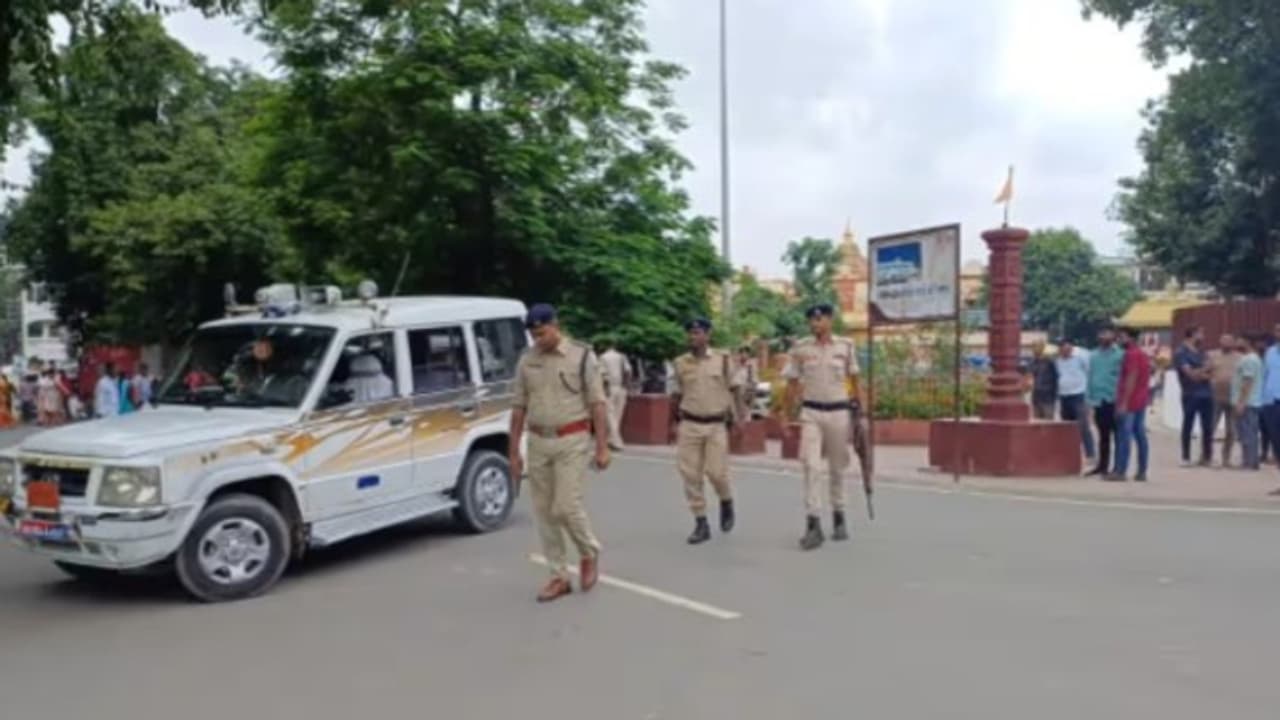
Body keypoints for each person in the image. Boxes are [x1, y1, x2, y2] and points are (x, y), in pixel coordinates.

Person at [508, 304, 610, 603]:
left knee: (565, 506)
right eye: (534, 335)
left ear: (556, 325)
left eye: (542, 333)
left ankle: (588, 551)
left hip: (572, 439)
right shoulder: (527, 360)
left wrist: (602, 446)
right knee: (543, 512)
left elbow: (598, 404)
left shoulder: (582, 356)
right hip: (538, 441)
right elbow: (518, 406)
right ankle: (558, 576)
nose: (538, 339)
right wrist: (513, 452)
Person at [783, 303, 860, 550]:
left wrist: (859, 415)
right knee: (811, 465)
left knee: (837, 468)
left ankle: (839, 515)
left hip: (839, 412)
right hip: (811, 413)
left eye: (819, 319)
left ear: (829, 320)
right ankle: (813, 523)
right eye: (811, 320)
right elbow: (792, 383)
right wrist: (786, 416)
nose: (814, 324)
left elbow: (854, 381)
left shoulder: (846, 346)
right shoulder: (801, 348)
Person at [671, 318, 739, 545]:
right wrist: (672, 423)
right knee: (690, 475)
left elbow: (735, 389)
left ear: (708, 335)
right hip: (689, 423)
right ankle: (701, 522)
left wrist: (740, 418)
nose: (693, 337)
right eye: (690, 333)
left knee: (717, 473)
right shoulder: (680, 363)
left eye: (698, 332)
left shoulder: (723, 360)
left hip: (716, 424)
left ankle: (726, 500)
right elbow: (676, 394)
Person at [1111, 328, 1151, 482]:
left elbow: (1131, 377)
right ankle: (1142, 470)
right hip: (1140, 399)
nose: (1119, 340)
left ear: (1131, 338)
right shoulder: (1142, 354)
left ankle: (1120, 471)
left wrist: (1124, 402)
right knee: (1140, 435)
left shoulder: (1131, 354)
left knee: (1124, 436)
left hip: (1130, 401)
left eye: (1122, 337)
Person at [1174, 326, 1214, 466]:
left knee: (1207, 426)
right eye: (1201, 333)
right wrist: (1204, 370)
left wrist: (1200, 372)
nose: (1203, 336)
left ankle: (1207, 457)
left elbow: (1211, 372)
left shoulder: (1201, 351)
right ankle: (1186, 457)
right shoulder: (1181, 352)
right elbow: (1189, 374)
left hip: (1207, 392)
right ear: (1193, 334)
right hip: (1190, 393)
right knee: (1188, 425)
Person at [1086, 328, 1123, 476]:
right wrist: (1089, 399)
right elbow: (1090, 377)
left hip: (1114, 399)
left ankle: (1118, 467)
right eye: (1102, 334)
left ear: (1113, 336)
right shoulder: (1093, 355)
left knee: (1118, 435)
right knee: (1103, 435)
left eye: (1107, 333)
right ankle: (1102, 466)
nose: (1104, 337)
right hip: (1099, 400)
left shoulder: (1120, 355)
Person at [1055, 338, 1095, 461]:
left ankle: (1090, 454)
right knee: (1067, 426)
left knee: (1083, 426)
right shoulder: (1058, 361)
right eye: (1063, 349)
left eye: (1068, 349)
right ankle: (1070, 453)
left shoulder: (1080, 358)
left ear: (1071, 348)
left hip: (1079, 395)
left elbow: (1089, 373)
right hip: (1064, 396)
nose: (1065, 352)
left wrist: (1089, 395)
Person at [1231, 334, 1265, 471]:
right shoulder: (1253, 358)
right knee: (1249, 432)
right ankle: (1251, 461)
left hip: (1248, 402)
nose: (1236, 342)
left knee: (1247, 433)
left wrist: (1241, 402)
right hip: (1251, 402)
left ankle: (1249, 462)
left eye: (1239, 339)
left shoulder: (1249, 359)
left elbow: (1247, 382)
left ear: (1247, 342)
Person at [1208, 334, 1239, 466]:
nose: (1226, 343)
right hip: (1215, 397)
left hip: (1233, 398)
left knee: (1231, 430)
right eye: (1223, 341)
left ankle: (1226, 458)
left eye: (1229, 341)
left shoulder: (1240, 358)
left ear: (1233, 343)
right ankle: (1206, 455)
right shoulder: (1212, 355)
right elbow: (1205, 371)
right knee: (1210, 427)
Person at [599, 339, 631, 451]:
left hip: (610, 387)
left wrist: (606, 389)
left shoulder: (603, 357)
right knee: (617, 415)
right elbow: (628, 372)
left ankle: (616, 442)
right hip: (621, 387)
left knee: (610, 415)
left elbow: (603, 374)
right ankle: (612, 440)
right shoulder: (622, 357)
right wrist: (626, 386)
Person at [1027, 340, 1058, 420]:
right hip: (1036, 396)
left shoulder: (1050, 362)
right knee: (1037, 421)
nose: (1035, 349)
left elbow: (1056, 377)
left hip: (1048, 396)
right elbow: (1029, 376)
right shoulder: (1032, 362)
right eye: (1033, 347)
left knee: (1048, 420)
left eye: (1038, 346)